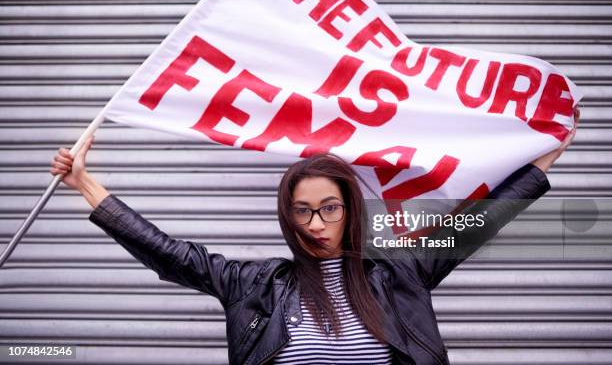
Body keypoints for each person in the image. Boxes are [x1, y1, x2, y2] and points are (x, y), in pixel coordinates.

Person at [50, 107, 579, 365]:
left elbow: (477, 221)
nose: (316, 225)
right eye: (301, 212)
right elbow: (168, 253)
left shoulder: (401, 271)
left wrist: (544, 153)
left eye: (328, 208)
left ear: (350, 209)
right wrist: (84, 183)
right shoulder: (251, 284)